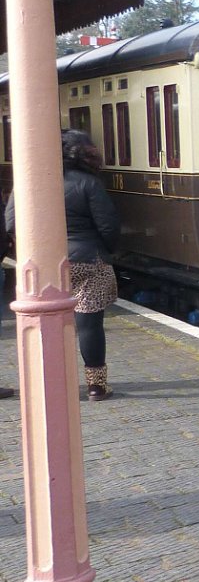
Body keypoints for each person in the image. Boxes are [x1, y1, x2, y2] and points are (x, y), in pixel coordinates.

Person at [4, 130, 121, 400]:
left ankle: (51, 384)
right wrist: (106, 251)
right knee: (90, 325)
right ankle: (96, 386)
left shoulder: (26, 183)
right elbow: (109, 225)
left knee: (48, 324)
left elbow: (11, 223)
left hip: (46, 263)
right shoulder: (89, 183)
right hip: (90, 261)